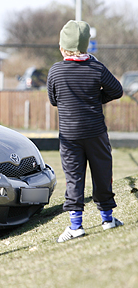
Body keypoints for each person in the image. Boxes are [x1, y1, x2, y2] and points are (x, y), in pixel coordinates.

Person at [47, 20, 124, 243]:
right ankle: (108, 219)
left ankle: (75, 226)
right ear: (86, 46)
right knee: (102, 174)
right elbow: (117, 90)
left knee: (74, 178)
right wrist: (97, 98)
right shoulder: (96, 67)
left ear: (62, 47)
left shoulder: (56, 71)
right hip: (96, 132)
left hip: (70, 136)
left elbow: (54, 100)